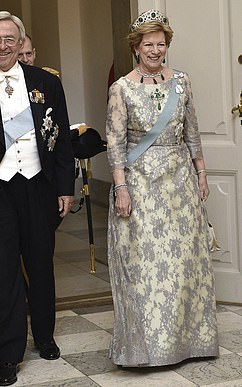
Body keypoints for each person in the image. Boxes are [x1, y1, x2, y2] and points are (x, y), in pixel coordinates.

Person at [0, 11, 75, 386]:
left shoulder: (45, 82)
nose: (3, 46)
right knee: (0, 273)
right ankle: (7, 353)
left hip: (37, 186)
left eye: (10, 39)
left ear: (21, 44)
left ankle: (45, 335)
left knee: (40, 265)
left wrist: (65, 187)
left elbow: (63, 140)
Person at [106, 9, 219, 367]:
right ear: (136, 48)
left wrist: (201, 173)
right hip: (141, 186)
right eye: (148, 44)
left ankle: (190, 344)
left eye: (160, 44)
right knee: (147, 265)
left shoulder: (181, 82)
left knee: (184, 262)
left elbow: (192, 130)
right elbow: (115, 143)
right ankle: (147, 349)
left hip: (180, 183)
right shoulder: (121, 88)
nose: (155, 50)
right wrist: (121, 187)